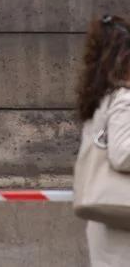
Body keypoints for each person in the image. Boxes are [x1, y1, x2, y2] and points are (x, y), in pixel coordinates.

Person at [76, 14, 130, 266]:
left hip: (106, 214)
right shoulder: (124, 99)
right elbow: (123, 154)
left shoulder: (98, 100)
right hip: (123, 218)